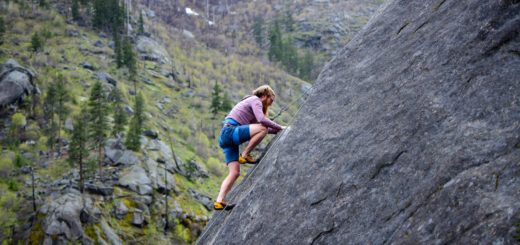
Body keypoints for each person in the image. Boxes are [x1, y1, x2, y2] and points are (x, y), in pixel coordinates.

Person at [214, 85, 284, 210]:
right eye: (271, 100)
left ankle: (219, 201)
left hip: (226, 137)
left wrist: (278, 130)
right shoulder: (255, 100)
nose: (271, 104)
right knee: (263, 127)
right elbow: (262, 122)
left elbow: (260, 129)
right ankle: (245, 155)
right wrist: (279, 127)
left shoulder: (249, 106)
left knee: (235, 172)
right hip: (230, 132)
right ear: (264, 96)